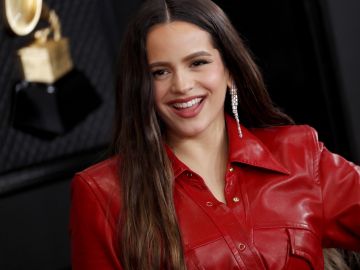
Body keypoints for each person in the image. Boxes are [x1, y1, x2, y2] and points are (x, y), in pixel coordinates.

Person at [69, 0, 360, 269]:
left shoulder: (299, 153)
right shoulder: (102, 193)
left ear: (230, 70)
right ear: (140, 86)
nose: (182, 85)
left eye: (198, 63)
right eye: (160, 72)